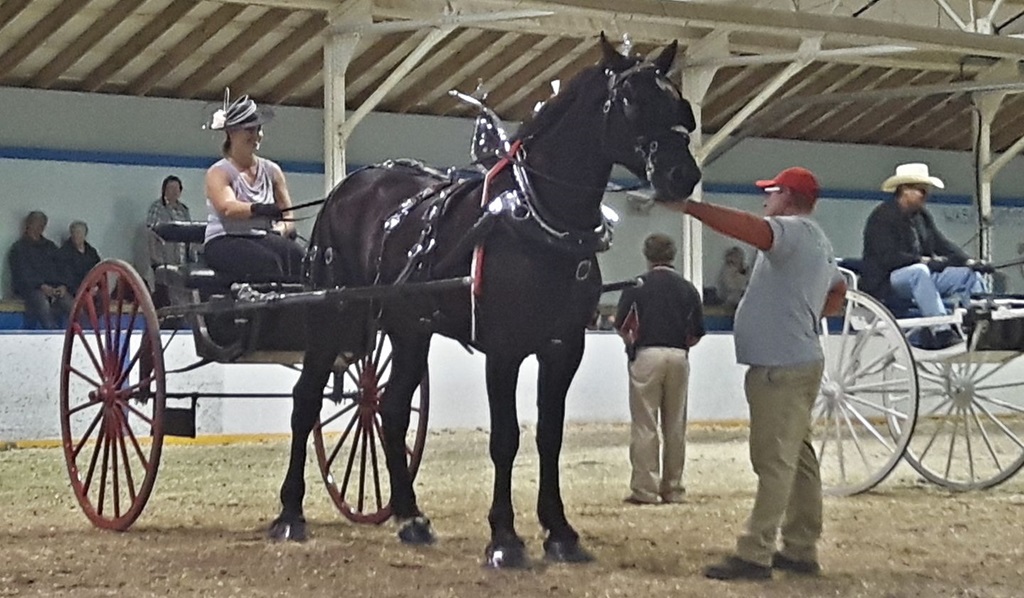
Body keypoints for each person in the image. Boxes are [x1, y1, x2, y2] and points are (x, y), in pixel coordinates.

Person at [668, 167, 846, 580]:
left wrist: (691, 208)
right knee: (798, 457)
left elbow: (750, 229)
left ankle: (756, 551)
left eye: (771, 193)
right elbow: (837, 291)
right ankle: (801, 545)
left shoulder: (791, 232)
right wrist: (803, 314)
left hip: (779, 365)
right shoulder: (817, 240)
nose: (765, 201)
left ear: (787, 196)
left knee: (774, 460)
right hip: (796, 357)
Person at [615, 233, 704, 505]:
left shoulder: (636, 286)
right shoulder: (688, 288)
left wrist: (634, 343)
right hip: (678, 355)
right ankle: (673, 488)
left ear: (647, 255)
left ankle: (645, 489)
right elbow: (696, 333)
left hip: (647, 354)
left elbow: (622, 324)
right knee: (675, 425)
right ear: (673, 254)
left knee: (645, 424)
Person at [861, 163, 987, 350]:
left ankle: (981, 325)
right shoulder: (881, 217)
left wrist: (969, 261)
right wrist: (923, 260)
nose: (926, 195)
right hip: (887, 281)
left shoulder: (921, 216)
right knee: (918, 272)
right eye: (921, 190)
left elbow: (941, 243)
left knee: (968, 275)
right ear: (904, 190)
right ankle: (941, 330)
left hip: (921, 278)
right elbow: (887, 257)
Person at [203, 93, 303, 282]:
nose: (256, 135)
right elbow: (227, 208)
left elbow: (288, 214)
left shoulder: (273, 171)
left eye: (258, 130)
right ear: (232, 133)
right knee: (267, 263)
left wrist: (283, 229)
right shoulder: (218, 172)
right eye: (249, 130)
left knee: (299, 257)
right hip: (225, 240)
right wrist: (259, 209)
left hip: (262, 237)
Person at [8, 211, 74, 329]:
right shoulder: (18, 248)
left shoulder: (50, 246)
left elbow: (62, 268)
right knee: (41, 302)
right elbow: (22, 275)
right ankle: (52, 332)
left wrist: (63, 285)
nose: (40, 227)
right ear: (29, 224)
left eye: (42, 225)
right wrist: (41, 286)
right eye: (37, 224)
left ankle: (83, 334)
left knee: (71, 303)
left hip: (53, 288)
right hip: (30, 289)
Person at [146, 175, 193, 307]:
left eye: (176, 189)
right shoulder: (157, 208)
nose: (174, 191)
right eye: (170, 188)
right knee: (166, 293)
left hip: (182, 260)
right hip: (165, 259)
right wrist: (156, 259)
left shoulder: (184, 210)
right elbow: (151, 233)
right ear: (164, 190)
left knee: (183, 291)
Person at [59, 220, 101, 296]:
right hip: (73, 290)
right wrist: (84, 290)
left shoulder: (91, 252)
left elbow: (99, 269)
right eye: (73, 232)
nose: (75, 235)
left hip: (91, 287)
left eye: (78, 232)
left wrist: (95, 286)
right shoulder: (64, 252)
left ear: (85, 235)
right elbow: (67, 278)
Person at [716, 245, 750, 310]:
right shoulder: (727, 271)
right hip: (730, 300)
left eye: (738, 257)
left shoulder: (747, 271)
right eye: (735, 256)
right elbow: (730, 286)